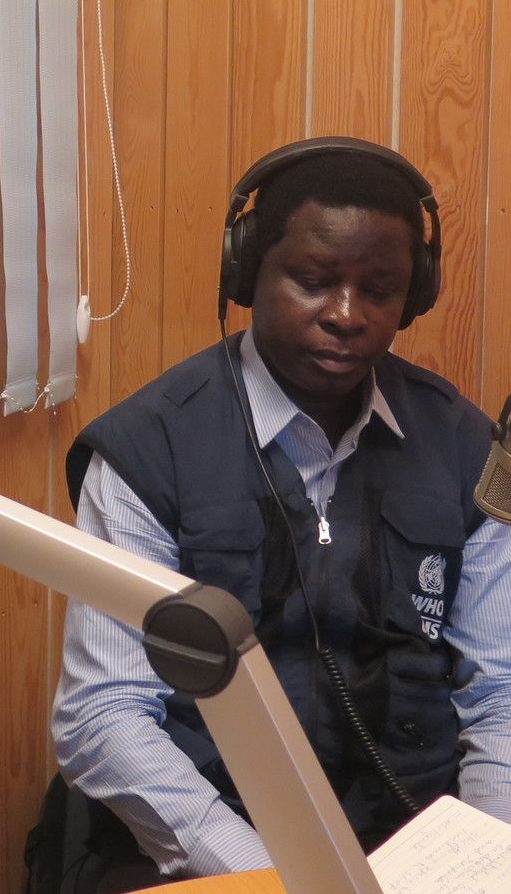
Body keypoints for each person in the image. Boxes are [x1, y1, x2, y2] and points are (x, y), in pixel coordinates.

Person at [51, 138, 511, 886]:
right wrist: (275, 879)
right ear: (247, 273)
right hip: (220, 856)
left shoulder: (465, 448)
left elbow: (501, 694)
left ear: (415, 294)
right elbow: (104, 715)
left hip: (417, 856)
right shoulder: (149, 449)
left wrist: (484, 865)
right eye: (313, 281)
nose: (347, 315)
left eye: (381, 290)